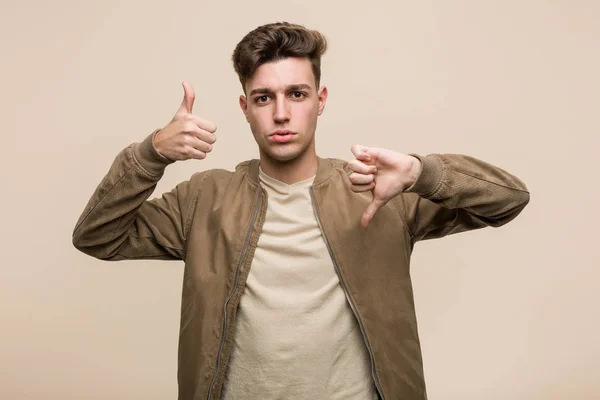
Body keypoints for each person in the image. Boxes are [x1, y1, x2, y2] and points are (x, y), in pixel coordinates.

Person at [72, 21, 530, 400]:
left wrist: (420, 173)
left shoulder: (376, 189)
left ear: (321, 100)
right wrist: (152, 153)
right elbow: (97, 235)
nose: (282, 114)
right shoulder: (205, 199)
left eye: (297, 94)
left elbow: (509, 199)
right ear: (245, 108)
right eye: (264, 98)